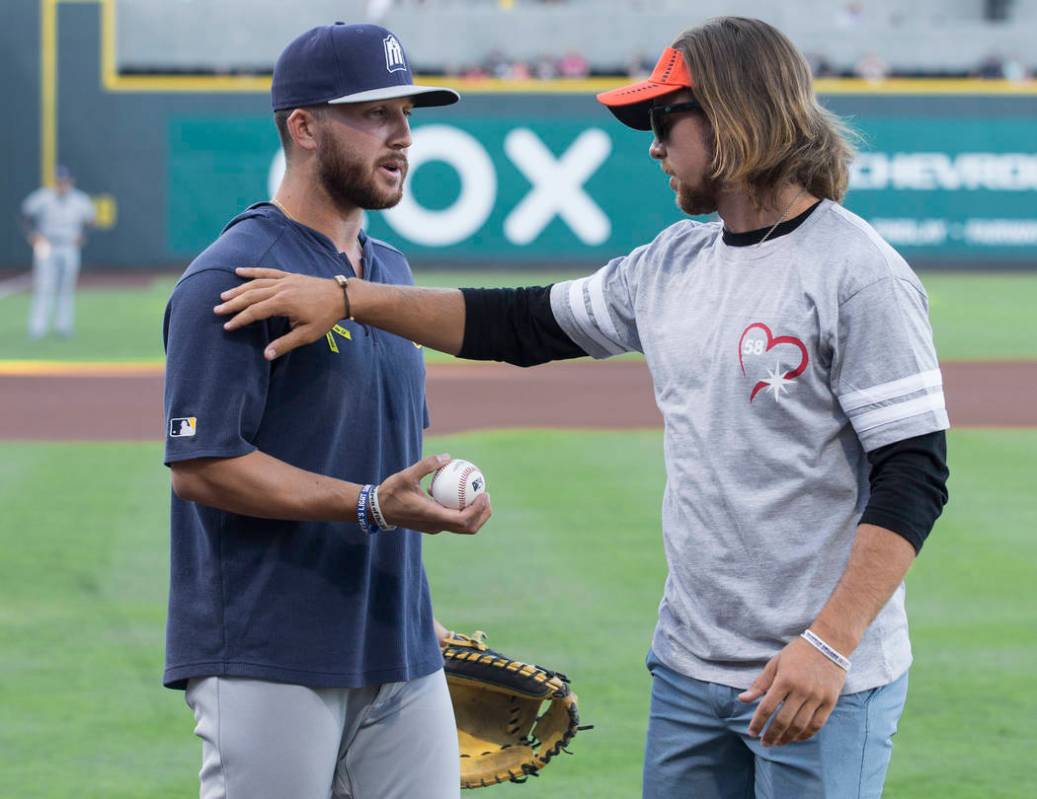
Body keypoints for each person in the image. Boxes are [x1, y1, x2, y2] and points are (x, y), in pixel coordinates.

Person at [214, 17, 950, 798]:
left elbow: (913, 474)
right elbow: (519, 322)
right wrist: (348, 296)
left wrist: (830, 646)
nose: (653, 144)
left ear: (736, 116)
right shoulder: (672, 262)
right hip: (689, 671)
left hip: (814, 678)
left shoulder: (856, 271)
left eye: (665, 120)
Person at [162, 23, 491, 799]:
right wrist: (371, 505)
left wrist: (415, 606)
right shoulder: (231, 276)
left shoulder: (389, 273)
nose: (403, 135)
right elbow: (203, 465)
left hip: (395, 644)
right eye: (375, 114)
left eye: (406, 114)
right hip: (268, 648)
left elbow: (382, 455)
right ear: (303, 128)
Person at [19, 165, 96, 339]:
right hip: (47, 245)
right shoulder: (43, 197)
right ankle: (37, 328)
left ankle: (63, 327)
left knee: (66, 287)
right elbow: (25, 215)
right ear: (54, 181)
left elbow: (91, 221)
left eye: (65, 181)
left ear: (70, 181)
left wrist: (83, 236)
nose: (62, 184)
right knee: (44, 286)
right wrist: (33, 235)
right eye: (59, 181)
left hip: (69, 245)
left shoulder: (80, 199)